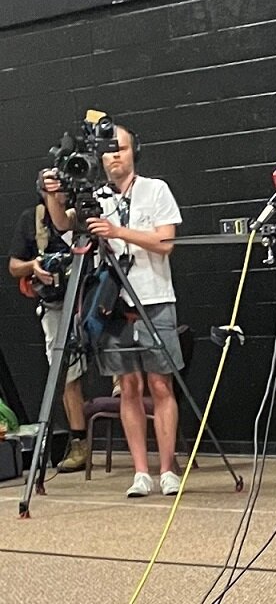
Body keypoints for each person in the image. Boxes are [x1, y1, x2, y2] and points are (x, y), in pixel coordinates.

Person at [43, 123, 185, 498]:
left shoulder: (155, 190)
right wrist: (53, 195)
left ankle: (168, 468)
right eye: (108, 150)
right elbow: (64, 227)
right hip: (113, 305)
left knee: (160, 384)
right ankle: (141, 472)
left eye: (121, 148)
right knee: (130, 388)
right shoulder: (95, 197)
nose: (115, 155)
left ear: (134, 151)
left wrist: (117, 232)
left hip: (154, 299)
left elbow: (165, 241)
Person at [8, 198, 90, 472]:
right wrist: (35, 266)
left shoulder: (87, 209)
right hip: (56, 304)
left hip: (95, 294)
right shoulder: (31, 219)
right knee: (67, 374)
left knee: (125, 368)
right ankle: (79, 444)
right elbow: (14, 265)